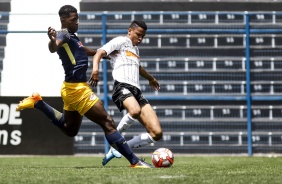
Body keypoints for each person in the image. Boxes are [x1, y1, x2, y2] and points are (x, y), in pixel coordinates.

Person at [16, 5, 153, 168]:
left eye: (77, 19)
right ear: (63, 20)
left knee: (70, 129)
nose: (77, 22)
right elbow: (54, 47)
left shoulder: (72, 37)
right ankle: (134, 161)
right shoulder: (64, 34)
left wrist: (103, 54)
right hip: (78, 90)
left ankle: (38, 102)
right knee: (108, 123)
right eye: (73, 20)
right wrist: (52, 40)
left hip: (70, 89)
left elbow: (83, 50)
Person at [90, 20, 163, 166]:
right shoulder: (120, 41)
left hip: (137, 91)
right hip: (122, 86)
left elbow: (139, 68)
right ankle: (114, 137)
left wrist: (151, 78)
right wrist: (95, 69)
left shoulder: (135, 50)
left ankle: (120, 149)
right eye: (138, 35)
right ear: (130, 31)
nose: (140, 39)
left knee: (156, 133)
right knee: (134, 111)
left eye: (143, 36)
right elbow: (99, 52)